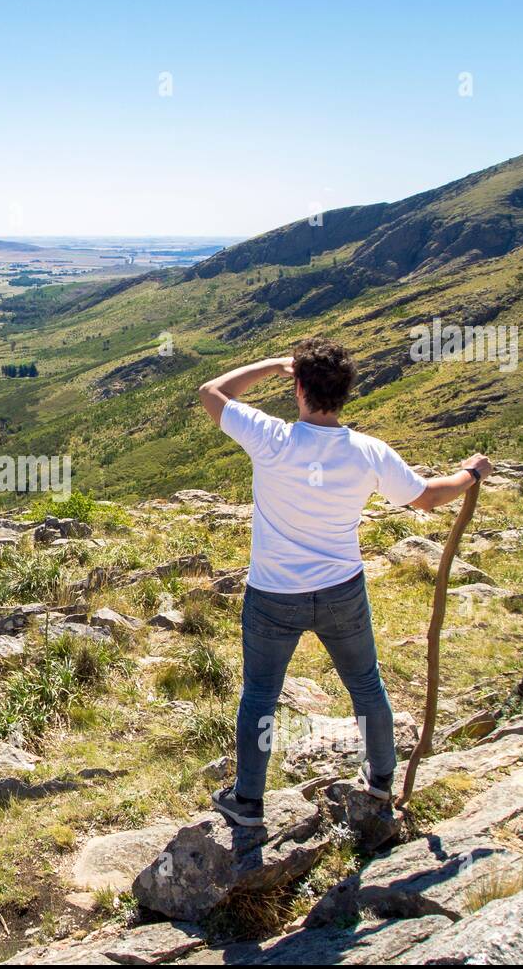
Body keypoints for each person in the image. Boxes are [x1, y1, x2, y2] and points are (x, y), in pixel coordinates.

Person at [196, 337, 492, 826]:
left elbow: (212, 392)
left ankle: (248, 799)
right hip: (341, 591)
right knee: (365, 685)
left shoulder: (272, 438)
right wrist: (469, 474)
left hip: (274, 594)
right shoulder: (368, 453)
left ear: (299, 388)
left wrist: (272, 364)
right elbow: (425, 498)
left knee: (260, 696)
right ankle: (380, 781)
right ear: (346, 393)